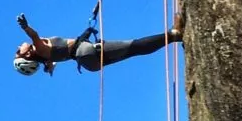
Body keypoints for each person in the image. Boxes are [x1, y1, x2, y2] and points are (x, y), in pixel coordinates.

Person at [13, 11, 184, 76]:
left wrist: (50, 68)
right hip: (86, 52)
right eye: (18, 52)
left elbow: (51, 63)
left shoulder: (44, 57)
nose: (17, 48)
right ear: (27, 55)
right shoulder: (40, 50)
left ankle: (172, 35)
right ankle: (174, 34)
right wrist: (25, 27)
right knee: (134, 46)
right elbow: (35, 36)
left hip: (88, 60)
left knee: (134, 50)